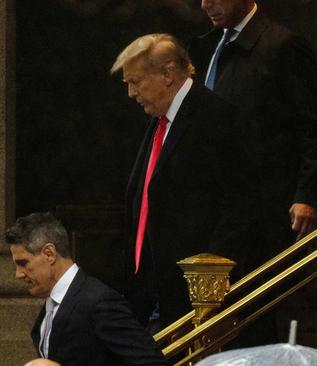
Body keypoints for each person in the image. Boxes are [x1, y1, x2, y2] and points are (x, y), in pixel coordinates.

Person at [110, 33, 252, 329]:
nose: (131, 94)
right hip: (151, 290)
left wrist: (209, 282)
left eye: (135, 82)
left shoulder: (216, 116)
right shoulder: (159, 120)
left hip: (192, 295)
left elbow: (239, 205)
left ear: (168, 74)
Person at [189, 0, 317, 255]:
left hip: (265, 209)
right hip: (215, 203)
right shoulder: (206, 46)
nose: (204, 4)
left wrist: (308, 197)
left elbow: (315, 127)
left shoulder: (283, 45)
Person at [5, 212, 166, 366]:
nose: (18, 274)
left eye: (23, 263)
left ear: (49, 254)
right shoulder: (53, 304)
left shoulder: (100, 302)